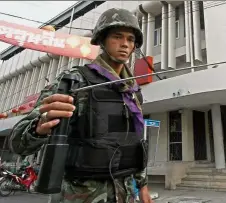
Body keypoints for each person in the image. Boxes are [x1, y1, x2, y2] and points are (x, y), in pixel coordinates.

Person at [8, 8, 153, 203]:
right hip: (81, 195)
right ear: (102, 40)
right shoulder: (75, 80)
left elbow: (134, 142)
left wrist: (142, 187)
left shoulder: (132, 91)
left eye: (130, 39)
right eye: (117, 37)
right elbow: (18, 143)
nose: (125, 44)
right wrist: (40, 126)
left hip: (126, 193)